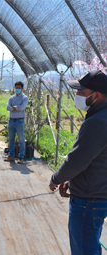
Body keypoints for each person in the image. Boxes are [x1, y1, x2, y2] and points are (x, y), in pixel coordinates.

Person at [49, 70, 107, 255]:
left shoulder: (97, 122)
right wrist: (73, 179)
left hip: (88, 200)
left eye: (81, 93)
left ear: (95, 96)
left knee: (84, 250)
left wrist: (56, 178)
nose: (77, 96)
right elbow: (94, 158)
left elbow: (77, 161)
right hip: (99, 193)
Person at [4, 81, 28, 164]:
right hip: (11, 120)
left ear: (22, 88)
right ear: (14, 88)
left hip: (20, 120)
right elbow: (7, 107)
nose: (17, 89)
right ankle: (11, 155)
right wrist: (16, 108)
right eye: (16, 88)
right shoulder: (11, 98)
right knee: (11, 139)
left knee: (21, 139)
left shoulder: (25, 98)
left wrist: (14, 108)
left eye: (19, 88)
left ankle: (21, 156)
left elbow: (22, 107)